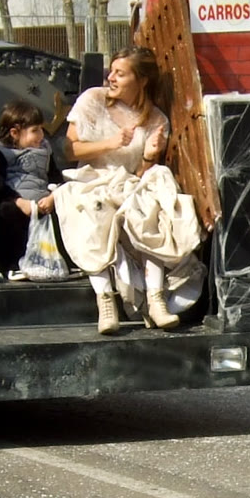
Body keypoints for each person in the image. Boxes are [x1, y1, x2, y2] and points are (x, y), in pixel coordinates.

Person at [55, 46, 204, 335]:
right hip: (93, 179)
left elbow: (141, 174)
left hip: (129, 185)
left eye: (120, 74)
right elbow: (69, 150)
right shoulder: (93, 99)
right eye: (111, 71)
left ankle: (156, 299)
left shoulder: (156, 120)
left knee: (149, 206)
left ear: (142, 80)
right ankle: (105, 302)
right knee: (90, 212)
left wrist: (149, 156)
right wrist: (110, 144)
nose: (111, 77)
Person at [0, 99, 61, 278]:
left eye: (41, 129)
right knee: (6, 211)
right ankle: (13, 262)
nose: (41, 135)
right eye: (35, 130)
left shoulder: (45, 149)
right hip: (17, 201)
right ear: (14, 133)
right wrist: (19, 202)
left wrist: (53, 197)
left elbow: (55, 176)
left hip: (44, 201)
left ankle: (56, 261)